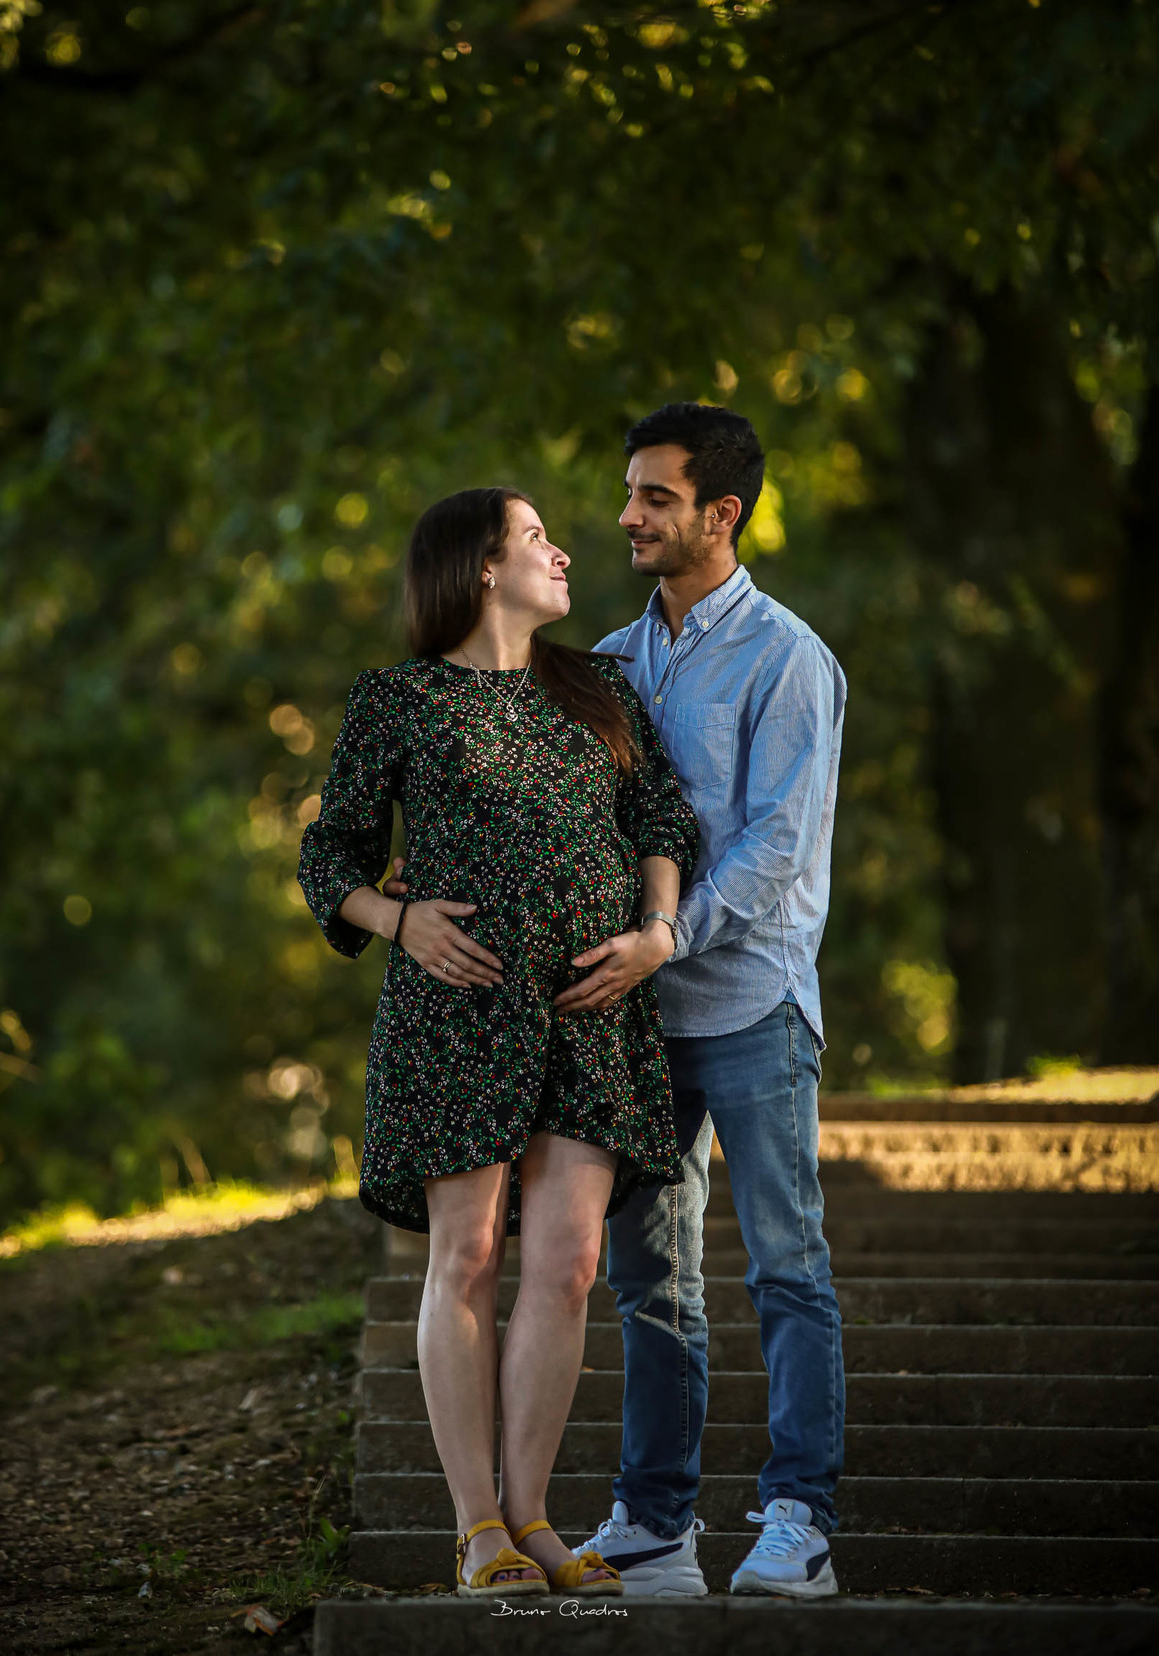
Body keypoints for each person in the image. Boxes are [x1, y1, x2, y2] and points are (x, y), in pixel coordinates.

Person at [297, 487, 699, 1600]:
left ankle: (532, 1519)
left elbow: (660, 821)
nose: (563, 552)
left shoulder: (598, 688)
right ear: (480, 566)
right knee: (467, 1256)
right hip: (457, 1012)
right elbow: (329, 856)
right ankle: (476, 1527)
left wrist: (655, 933)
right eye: (535, 538)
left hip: (592, 1012)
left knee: (567, 1267)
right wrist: (398, 921)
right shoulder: (398, 700)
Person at [573, 402, 847, 1599]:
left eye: (656, 497)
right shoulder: (609, 664)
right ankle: (656, 1528)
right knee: (650, 1278)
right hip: (638, 1020)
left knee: (786, 1265)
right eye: (630, 492)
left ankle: (800, 1520)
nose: (627, 516)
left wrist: (668, 935)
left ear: (721, 513)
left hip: (751, 1004)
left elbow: (777, 847)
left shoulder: (789, 657)